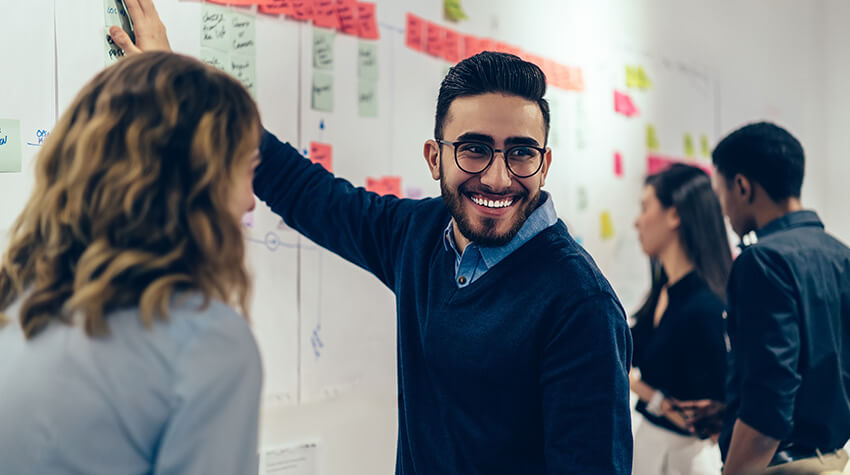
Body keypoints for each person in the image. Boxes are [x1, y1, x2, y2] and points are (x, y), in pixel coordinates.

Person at [108, 1, 635, 473]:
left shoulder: (580, 304)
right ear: (435, 158)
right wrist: (177, 83)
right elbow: (302, 188)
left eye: (521, 152)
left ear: (544, 165)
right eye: (474, 149)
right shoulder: (422, 236)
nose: (498, 178)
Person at [0, 52, 264, 474]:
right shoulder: (207, 345)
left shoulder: (15, 305)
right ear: (196, 185)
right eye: (248, 170)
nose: (251, 201)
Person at [684, 122, 850, 474]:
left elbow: (769, 411)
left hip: (779, 466)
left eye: (722, 194)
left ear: (742, 186)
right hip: (835, 461)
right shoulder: (841, 255)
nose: (724, 211)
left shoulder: (762, 260)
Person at [629, 164, 732, 474]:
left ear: (674, 216)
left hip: (684, 460)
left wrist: (642, 390)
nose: (637, 222)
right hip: (648, 445)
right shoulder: (663, 290)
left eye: (645, 207)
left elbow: (706, 421)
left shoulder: (706, 307)